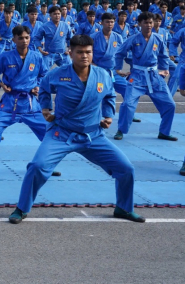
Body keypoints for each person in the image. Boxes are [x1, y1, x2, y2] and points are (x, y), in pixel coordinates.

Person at [9, 34, 145, 225]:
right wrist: (46, 108)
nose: (84, 56)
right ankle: (22, 208)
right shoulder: (58, 74)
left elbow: (109, 95)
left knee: (126, 168)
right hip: (62, 133)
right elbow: (44, 88)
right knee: (37, 166)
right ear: (70, 53)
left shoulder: (103, 75)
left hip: (93, 135)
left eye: (88, 52)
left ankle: (124, 207)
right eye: (80, 52)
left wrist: (108, 115)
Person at [0, 26, 59, 177]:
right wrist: (1, 84)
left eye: (27, 38)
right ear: (14, 39)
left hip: (30, 104)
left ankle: (46, 164)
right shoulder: (5, 57)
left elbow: (44, 75)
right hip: (10, 103)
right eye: (21, 38)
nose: (24, 41)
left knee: (49, 134)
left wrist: (37, 86)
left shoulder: (36, 57)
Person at [113, 12, 177, 141]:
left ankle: (164, 132)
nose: (149, 25)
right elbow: (120, 53)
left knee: (170, 104)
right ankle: (121, 130)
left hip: (154, 76)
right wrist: (118, 69)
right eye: (146, 22)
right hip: (137, 76)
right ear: (139, 24)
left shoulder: (158, 38)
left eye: (150, 22)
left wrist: (165, 69)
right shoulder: (133, 39)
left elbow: (163, 55)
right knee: (128, 104)